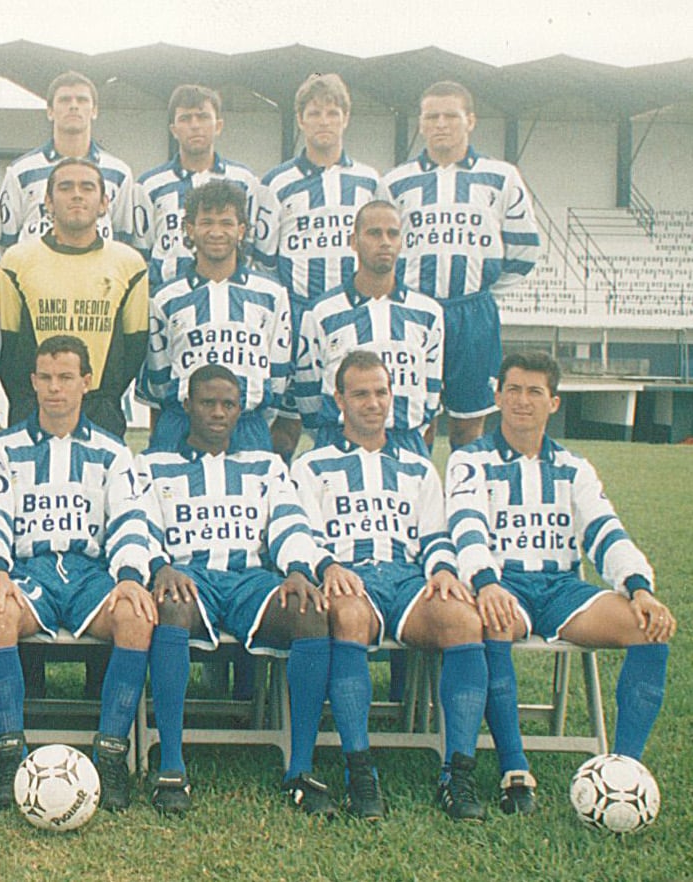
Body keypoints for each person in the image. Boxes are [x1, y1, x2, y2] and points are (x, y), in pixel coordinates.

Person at [447, 351, 675, 816]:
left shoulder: (574, 467)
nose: (522, 401)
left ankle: (624, 768)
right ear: (497, 397)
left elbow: (605, 531)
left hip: (562, 588)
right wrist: (486, 582)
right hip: (504, 583)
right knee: (493, 621)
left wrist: (639, 587)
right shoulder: (471, 461)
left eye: (534, 392)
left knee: (647, 626)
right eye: (513, 390)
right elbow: (466, 525)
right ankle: (515, 769)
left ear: (553, 402)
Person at [138, 364, 357, 816]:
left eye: (228, 404)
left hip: (249, 582)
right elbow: (139, 525)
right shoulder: (153, 466)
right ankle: (172, 768)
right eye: (207, 403)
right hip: (189, 576)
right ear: (186, 407)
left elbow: (290, 522)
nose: (218, 413)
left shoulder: (266, 466)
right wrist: (159, 566)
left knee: (308, 610)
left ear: (242, 410)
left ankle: (299, 769)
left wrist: (297, 569)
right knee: (172, 608)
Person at [291, 351, 488, 820]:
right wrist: (326, 567)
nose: (373, 403)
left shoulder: (419, 467)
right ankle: (361, 771)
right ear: (339, 399)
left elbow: (437, 535)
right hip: (347, 573)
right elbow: (301, 531)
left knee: (463, 619)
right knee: (350, 616)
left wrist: (443, 569)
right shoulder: (312, 465)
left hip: (406, 578)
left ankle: (456, 775)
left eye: (381, 392)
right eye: (360, 393)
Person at [0, 335, 157, 811]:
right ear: (32, 382)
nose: (55, 389)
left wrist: (131, 576)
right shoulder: (5, 448)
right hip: (29, 569)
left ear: (87, 382)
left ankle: (112, 753)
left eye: (66, 378)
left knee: (136, 617)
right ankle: (9, 750)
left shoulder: (113, 452)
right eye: (46, 378)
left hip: (89, 571)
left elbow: (128, 520)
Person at [383, 81, 541, 449]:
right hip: (414, 316)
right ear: (421, 123)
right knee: (414, 421)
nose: (441, 124)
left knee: (468, 426)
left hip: (472, 315)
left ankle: (463, 501)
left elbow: (524, 250)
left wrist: (480, 291)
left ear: (470, 120)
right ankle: (416, 502)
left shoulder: (501, 176)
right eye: (431, 116)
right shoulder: (395, 182)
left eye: (450, 116)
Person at [261, 74, 383, 460]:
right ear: (301, 119)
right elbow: (265, 259)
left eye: (332, 112)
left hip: (352, 313)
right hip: (298, 313)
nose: (324, 121)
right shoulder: (277, 182)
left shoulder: (368, 180)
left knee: (349, 413)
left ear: (345, 118)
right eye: (315, 113)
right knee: (286, 425)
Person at [0, 157, 147, 438]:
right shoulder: (16, 261)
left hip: (101, 410)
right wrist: (34, 394)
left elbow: (134, 347)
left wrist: (101, 394)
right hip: (33, 409)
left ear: (104, 204)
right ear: (48, 202)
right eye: (65, 187)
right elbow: (7, 345)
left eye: (87, 187)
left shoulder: (129, 264)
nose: (77, 194)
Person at [138, 180, 291, 454]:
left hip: (247, 427)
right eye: (207, 222)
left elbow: (277, 380)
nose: (216, 232)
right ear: (190, 229)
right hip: (181, 425)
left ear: (241, 230)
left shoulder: (271, 295)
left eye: (226, 223)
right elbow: (158, 383)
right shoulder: (165, 298)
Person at [286, 200, 443, 457]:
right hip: (338, 441)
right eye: (374, 233)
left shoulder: (428, 312)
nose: (385, 242)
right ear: (354, 241)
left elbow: (432, 393)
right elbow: (308, 394)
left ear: (402, 241)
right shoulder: (323, 312)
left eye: (392, 233)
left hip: (406, 442)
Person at [136, 84, 279, 290]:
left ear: (218, 125)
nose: (195, 125)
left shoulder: (244, 180)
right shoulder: (150, 185)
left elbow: (254, 245)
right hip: (169, 299)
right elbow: (143, 253)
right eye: (185, 118)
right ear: (174, 130)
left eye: (203, 117)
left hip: (233, 299)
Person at [0, 71, 137, 248]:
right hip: (39, 273)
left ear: (94, 111)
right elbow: (7, 241)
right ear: (50, 111)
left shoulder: (119, 173)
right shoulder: (20, 171)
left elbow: (123, 239)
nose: (73, 106)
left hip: (96, 273)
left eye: (82, 100)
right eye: (64, 100)